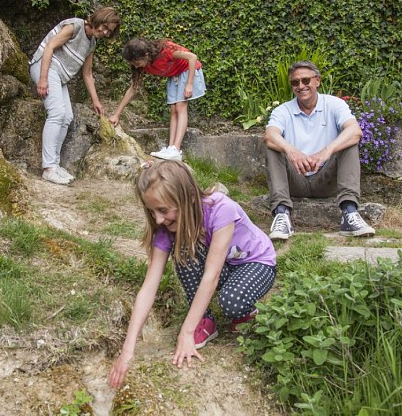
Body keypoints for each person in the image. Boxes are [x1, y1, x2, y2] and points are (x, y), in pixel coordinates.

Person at [108, 161, 277, 389]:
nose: (158, 219)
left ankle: (247, 313)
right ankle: (205, 320)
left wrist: (185, 333)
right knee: (185, 248)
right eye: (152, 211)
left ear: (188, 197)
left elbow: (211, 274)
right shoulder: (166, 228)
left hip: (256, 263)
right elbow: (149, 287)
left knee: (232, 302)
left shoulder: (221, 209)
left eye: (164, 210)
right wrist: (127, 351)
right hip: (226, 265)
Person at [263, 60, 375, 240]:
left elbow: (355, 131)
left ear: (317, 81)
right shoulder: (282, 111)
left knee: (350, 142)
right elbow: (270, 135)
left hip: (326, 178)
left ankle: (349, 212)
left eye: (306, 80)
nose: (301, 86)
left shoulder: (334, 104)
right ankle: (282, 214)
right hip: (295, 179)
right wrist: (292, 151)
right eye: (295, 82)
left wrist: (326, 152)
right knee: (273, 146)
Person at [29, 7, 121, 185]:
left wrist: (96, 101)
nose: (104, 32)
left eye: (108, 31)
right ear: (98, 19)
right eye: (104, 26)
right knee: (57, 113)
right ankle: (48, 168)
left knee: (67, 116)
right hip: (44, 67)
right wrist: (43, 78)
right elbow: (49, 47)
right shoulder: (74, 26)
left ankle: (54, 165)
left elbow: (87, 74)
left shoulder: (91, 43)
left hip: (58, 77)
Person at [108, 38, 206, 161]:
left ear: (146, 55)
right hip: (174, 75)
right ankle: (171, 148)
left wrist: (189, 84)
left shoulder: (166, 52)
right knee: (173, 109)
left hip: (188, 71)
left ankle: (176, 149)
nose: (135, 66)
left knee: (180, 106)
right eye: (132, 63)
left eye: (136, 62)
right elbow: (133, 88)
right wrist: (116, 114)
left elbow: (192, 57)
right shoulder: (142, 66)